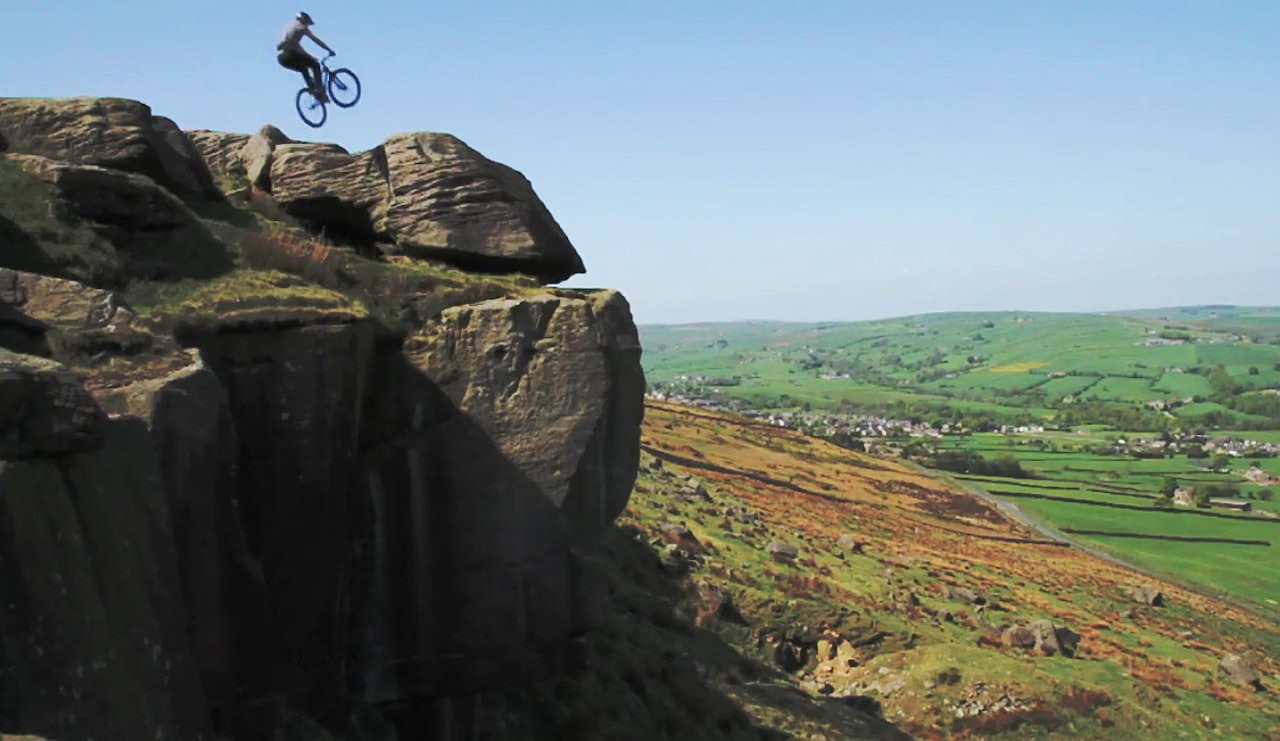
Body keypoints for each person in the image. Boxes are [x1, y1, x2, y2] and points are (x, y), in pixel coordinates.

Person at [277, 11, 335, 102]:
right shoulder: (301, 27)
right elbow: (316, 40)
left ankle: (313, 90)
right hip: (290, 53)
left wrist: (311, 57)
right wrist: (328, 49)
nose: (307, 26)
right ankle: (319, 89)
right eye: (307, 23)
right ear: (303, 20)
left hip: (281, 58)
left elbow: (298, 49)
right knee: (316, 65)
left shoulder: (289, 27)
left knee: (303, 68)